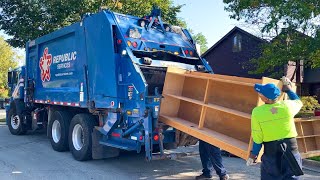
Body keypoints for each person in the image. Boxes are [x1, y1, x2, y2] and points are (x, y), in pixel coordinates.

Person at [247, 77, 303, 180]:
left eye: (261, 94)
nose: (259, 95)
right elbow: (298, 102)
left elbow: (257, 137)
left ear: (267, 99)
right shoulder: (287, 106)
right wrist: (289, 90)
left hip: (271, 156)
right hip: (291, 152)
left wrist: (254, 154)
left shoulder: (257, 112)